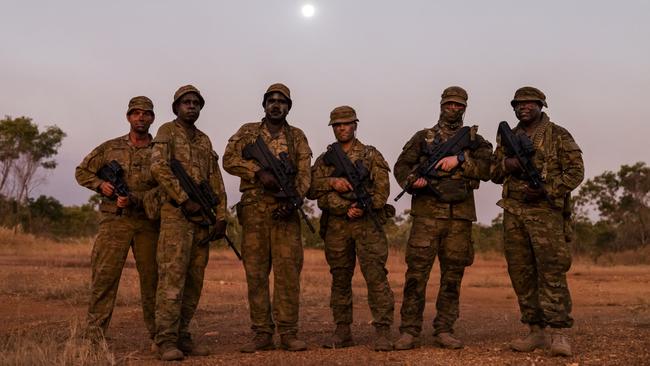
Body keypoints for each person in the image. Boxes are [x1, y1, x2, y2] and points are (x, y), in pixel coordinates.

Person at [393, 86, 493, 350]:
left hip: (459, 218)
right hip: (427, 216)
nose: (454, 109)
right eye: (450, 104)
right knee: (416, 275)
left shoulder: (475, 140)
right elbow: (401, 166)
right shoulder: (422, 138)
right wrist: (413, 181)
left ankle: (445, 329)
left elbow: (489, 167)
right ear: (441, 105)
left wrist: (459, 159)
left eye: (459, 105)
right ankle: (409, 330)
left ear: (465, 108)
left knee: (452, 276)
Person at [491, 86, 584, 357]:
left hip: (546, 214)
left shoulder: (558, 135)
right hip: (514, 213)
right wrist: (509, 165)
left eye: (530, 103)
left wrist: (548, 189)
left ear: (542, 105)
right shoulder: (508, 137)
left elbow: (576, 171)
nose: (524, 107)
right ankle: (535, 330)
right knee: (521, 273)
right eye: (519, 104)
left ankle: (559, 334)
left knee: (552, 272)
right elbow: (493, 172)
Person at [223, 83, 312, 352]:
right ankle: (262, 332)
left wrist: (295, 199)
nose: (276, 105)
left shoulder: (297, 136)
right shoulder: (248, 132)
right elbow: (228, 159)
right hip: (254, 210)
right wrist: (256, 172)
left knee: (288, 274)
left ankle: (288, 332)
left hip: (286, 210)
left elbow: (305, 172)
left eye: (282, 101)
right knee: (257, 273)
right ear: (264, 105)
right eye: (271, 100)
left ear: (289, 107)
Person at [307, 106, 395, 351]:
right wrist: (333, 185)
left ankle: (383, 331)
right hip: (337, 226)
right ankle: (342, 331)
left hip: (367, 224)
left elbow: (381, 192)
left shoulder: (370, 155)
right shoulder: (326, 159)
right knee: (340, 278)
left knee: (376, 277)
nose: (342, 128)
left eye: (346, 124)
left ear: (355, 125)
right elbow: (311, 189)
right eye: (337, 125)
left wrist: (361, 207)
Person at [150, 85, 227, 361]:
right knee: (172, 280)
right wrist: (184, 199)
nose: (191, 106)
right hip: (176, 219)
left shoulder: (204, 140)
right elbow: (158, 167)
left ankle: (183, 336)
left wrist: (221, 216)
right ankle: (166, 340)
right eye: (186, 102)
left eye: (196, 102)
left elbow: (215, 179)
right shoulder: (166, 132)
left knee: (194, 281)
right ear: (176, 107)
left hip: (202, 221)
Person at [75, 96, 159, 345]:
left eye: (146, 113)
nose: (141, 117)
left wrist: (136, 199)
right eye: (136, 113)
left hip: (147, 222)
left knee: (153, 279)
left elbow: (166, 186)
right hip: (114, 221)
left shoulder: (160, 151)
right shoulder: (110, 148)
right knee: (105, 277)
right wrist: (102, 186)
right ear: (128, 117)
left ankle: (159, 337)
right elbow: (82, 171)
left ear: (152, 118)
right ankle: (93, 338)